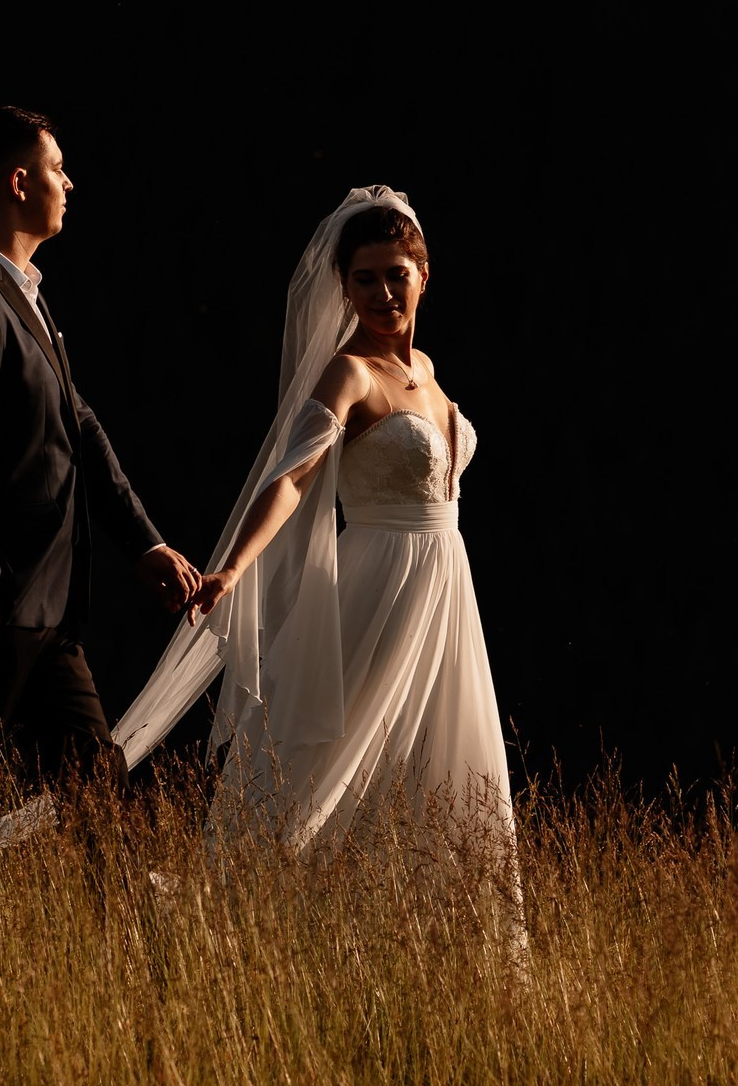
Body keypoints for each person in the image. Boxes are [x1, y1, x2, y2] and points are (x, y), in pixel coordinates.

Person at [111, 189, 520, 905]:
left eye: (397, 273)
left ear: (424, 273)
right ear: (345, 286)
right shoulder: (350, 371)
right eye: (365, 278)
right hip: (380, 585)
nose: (383, 292)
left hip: (447, 589)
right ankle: (217, 907)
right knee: (319, 770)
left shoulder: (428, 370)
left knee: (437, 768)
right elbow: (293, 477)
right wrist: (234, 565)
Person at [0, 106, 203, 781]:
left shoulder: (26, 296)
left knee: (97, 799)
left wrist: (147, 544)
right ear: (19, 182)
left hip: (48, 616)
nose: (69, 183)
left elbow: (81, 429)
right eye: (57, 169)